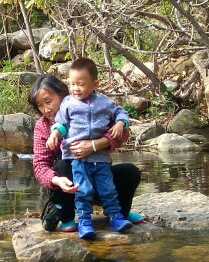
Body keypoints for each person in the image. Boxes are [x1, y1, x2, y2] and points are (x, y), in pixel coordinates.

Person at [29, 73, 143, 238]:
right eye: (40, 105)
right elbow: (40, 165)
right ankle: (68, 216)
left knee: (131, 172)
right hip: (70, 184)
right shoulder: (43, 126)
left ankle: (119, 211)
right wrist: (56, 180)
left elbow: (123, 134)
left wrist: (95, 145)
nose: (46, 109)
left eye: (49, 101)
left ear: (63, 95)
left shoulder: (91, 109)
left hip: (98, 174)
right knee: (62, 165)